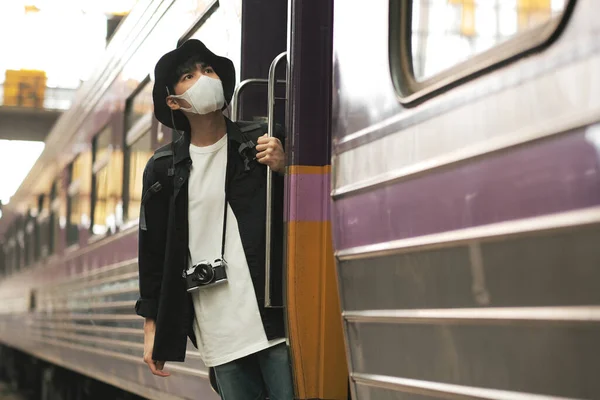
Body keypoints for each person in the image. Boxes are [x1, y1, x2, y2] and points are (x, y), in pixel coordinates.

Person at [135, 39, 294, 400]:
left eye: (208, 70)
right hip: (218, 328)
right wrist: (152, 327)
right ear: (174, 102)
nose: (204, 78)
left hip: (275, 320)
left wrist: (287, 169)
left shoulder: (264, 141)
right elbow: (154, 253)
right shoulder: (163, 168)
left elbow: (308, 212)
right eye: (189, 76)